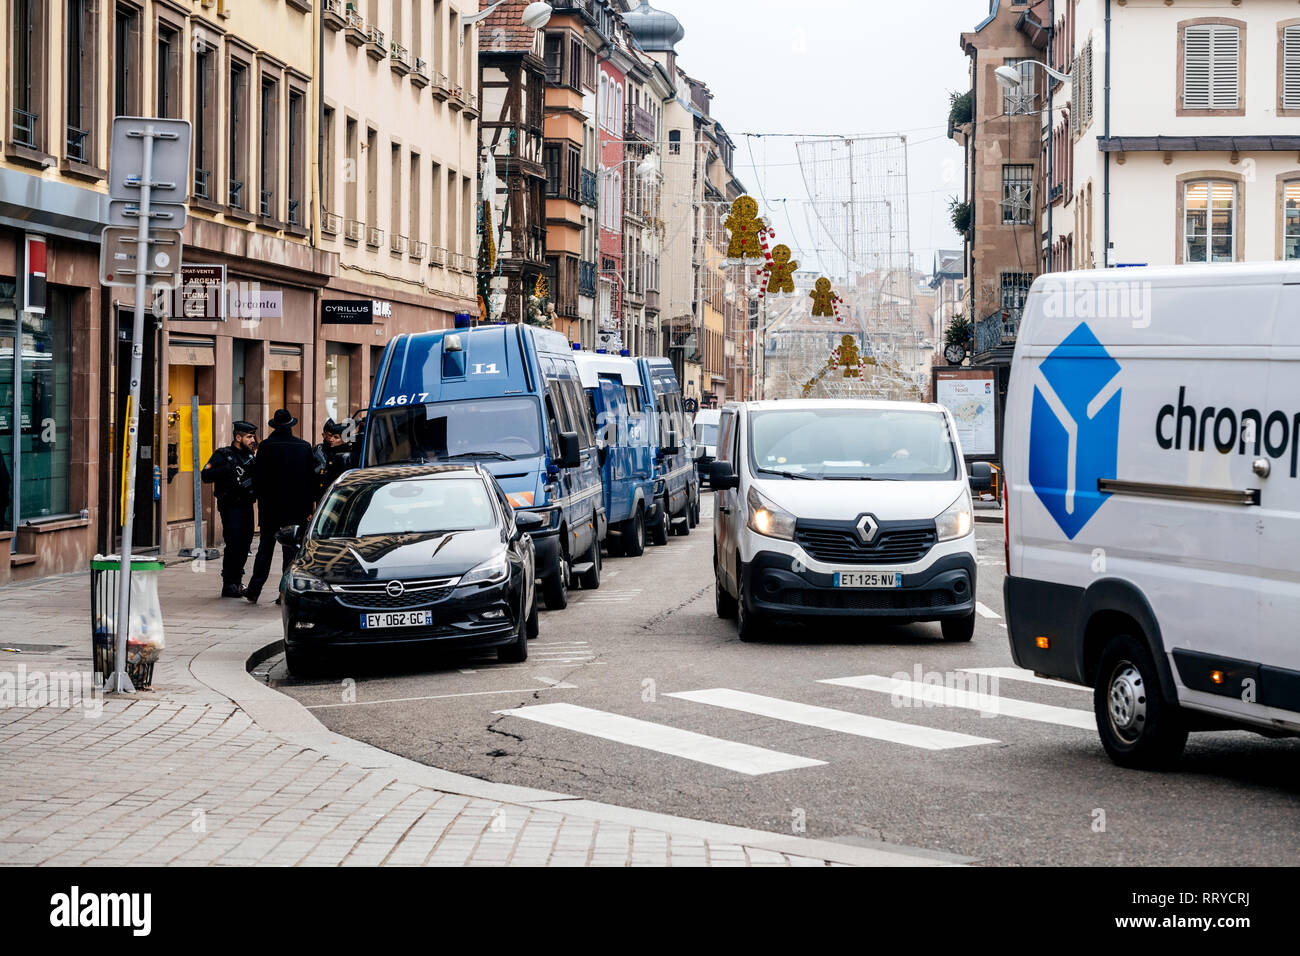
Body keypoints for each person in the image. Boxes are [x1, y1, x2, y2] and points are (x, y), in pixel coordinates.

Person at [243, 409, 315, 605]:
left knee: (265, 550)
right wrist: (309, 508)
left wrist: (260, 499)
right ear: (291, 425)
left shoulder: (266, 447)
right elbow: (310, 480)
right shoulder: (304, 447)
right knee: (290, 552)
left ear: (274, 426)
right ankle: (285, 592)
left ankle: (254, 590)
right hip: (296, 510)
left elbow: (257, 479)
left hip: (270, 509)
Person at [200, 420, 258, 597]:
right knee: (233, 543)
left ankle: (237, 581)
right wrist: (228, 469)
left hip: (247, 504)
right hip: (230, 506)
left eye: (253, 436)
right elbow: (206, 474)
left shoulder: (250, 457)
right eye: (249, 437)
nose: (252, 440)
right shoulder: (223, 454)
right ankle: (229, 583)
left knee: (245, 544)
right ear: (238, 437)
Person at [312, 418, 354, 505]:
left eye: (336, 437)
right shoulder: (320, 450)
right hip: (324, 495)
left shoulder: (349, 455)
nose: (331, 439)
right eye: (330, 436)